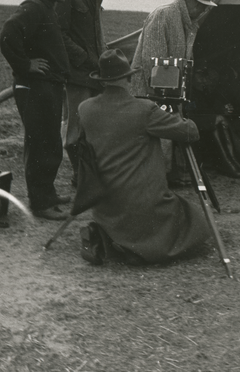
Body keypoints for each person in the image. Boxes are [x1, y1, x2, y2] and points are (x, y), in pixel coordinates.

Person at [75, 49, 212, 265]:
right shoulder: (144, 110)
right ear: (129, 78)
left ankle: (113, 239)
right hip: (141, 205)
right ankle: (139, 247)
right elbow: (190, 132)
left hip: (104, 205)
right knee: (189, 218)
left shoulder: (85, 109)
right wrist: (177, 115)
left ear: (102, 81)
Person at [0, 0, 75, 220]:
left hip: (47, 86)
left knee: (49, 142)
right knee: (41, 143)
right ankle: (41, 204)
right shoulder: (34, 8)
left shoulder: (46, 7)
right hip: (35, 87)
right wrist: (25, 65)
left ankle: (47, 194)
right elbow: (8, 33)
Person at [130, 0, 217, 184]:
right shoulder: (164, 15)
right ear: (193, 3)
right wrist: (171, 94)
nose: (204, 11)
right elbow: (153, 60)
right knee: (159, 136)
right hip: (151, 90)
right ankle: (158, 180)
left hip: (168, 90)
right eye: (203, 7)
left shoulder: (189, 22)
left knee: (167, 135)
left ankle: (165, 176)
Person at [55, 0, 108, 186]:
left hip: (95, 71)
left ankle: (88, 175)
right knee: (76, 131)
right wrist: (86, 59)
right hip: (78, 74)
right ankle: (81, 177)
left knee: (92, 127)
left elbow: (95, 32)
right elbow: (60, 35)